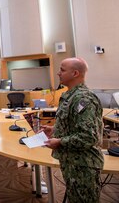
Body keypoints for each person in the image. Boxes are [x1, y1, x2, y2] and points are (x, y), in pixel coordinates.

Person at [40, 57, 103, 203]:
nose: (58, 73)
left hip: (83, 164)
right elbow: (73, 124)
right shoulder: (71, 95)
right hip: (72, 162)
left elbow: (88, 137)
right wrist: (54, 129)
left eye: (62, 70)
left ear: (75, 73)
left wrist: (60, 142)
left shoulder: (83, 98)